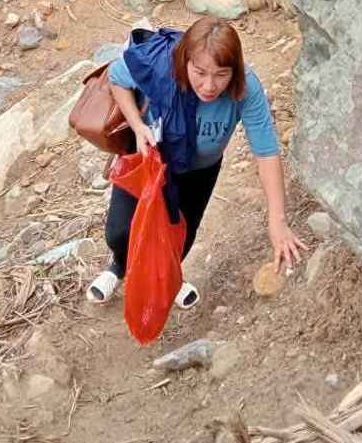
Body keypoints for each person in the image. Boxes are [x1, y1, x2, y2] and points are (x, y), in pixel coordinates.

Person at [87, 16, 306, 307]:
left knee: (181, 236)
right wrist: (138, 125)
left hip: (199, 170)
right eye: (199, 72)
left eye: (221, 74)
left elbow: (266, 153)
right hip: (149, 157)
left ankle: (168, 277)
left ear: (235, 71)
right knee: (120, 230)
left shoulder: (246, 90)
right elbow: (117, 78)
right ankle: (118, 266)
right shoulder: (159, 64)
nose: (209, 85)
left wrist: (277, 222)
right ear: (184, 60)